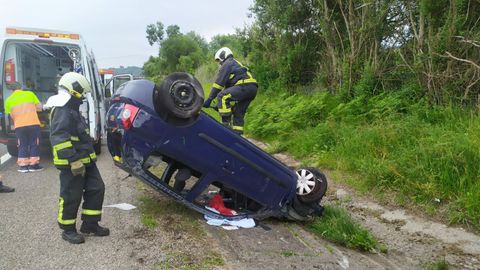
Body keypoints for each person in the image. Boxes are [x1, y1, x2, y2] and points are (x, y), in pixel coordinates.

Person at [45, 72, 109, 244]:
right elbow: (59, 138)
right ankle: (68, 229)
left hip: (85, 160)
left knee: (97, 188)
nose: (82, 97)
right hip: (71, 162)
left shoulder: (71, 108)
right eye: (81, 92)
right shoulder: (61, 109)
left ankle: (90, 224)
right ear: (72, 89)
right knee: (71, 195)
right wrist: (73, 160)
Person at [203, 47, 258, 134]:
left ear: (223, 55)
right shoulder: (234, 63)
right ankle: (237, 135)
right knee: (238, 112)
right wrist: (220, 106)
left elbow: (218, 84)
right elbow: (228, 90)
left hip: (244, 85)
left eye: (219, 60)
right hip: (252, 88)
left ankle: (226, 126)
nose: (220, 63)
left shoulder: (228, 63)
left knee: (222, 96)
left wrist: (209, 99)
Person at [4, 82, 43, 172]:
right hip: (33, 124)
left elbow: (10, 115)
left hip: (19, 126)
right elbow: (39, 108)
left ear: (11, 90)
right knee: (34, 143)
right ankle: (34, 166)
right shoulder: (29, 94)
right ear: (21, 87)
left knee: (22, 145)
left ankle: (23, 167)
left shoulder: (8, 100)